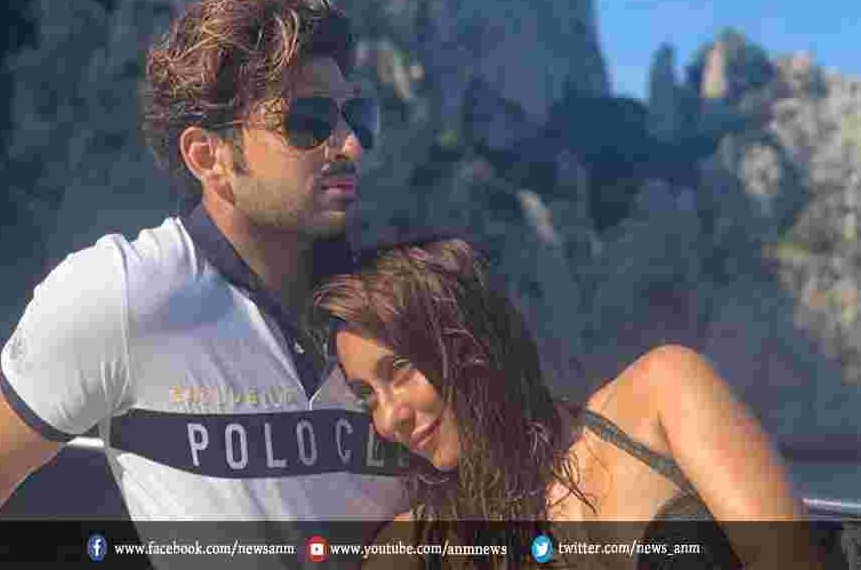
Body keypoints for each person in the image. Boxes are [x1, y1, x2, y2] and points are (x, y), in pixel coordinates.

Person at [0, 0, 407, 563]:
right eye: (309, 122)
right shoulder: (122, 296)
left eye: (358, 117)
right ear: (208, 156)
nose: (349, 145)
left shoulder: (410, 302)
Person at [311, 237, 824, 569]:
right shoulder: (420, 544)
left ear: (468, 344)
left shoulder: (659, 395)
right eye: (367, 396)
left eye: (400, 371)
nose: (388, 418)